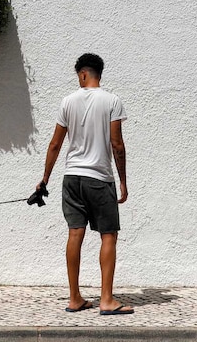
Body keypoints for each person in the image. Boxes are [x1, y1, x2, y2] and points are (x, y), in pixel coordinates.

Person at [36, 53, 133, 315]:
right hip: (99, 178)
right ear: (98, 73)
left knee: (74, 234)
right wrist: (123, 181)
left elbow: (55, 144)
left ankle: (74, 298)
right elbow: (117, 144)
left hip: (72, 178)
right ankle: (106, 300)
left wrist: (45, 179)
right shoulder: (112, 101)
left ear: (83, 73)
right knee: (108, 235)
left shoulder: (67, 102)